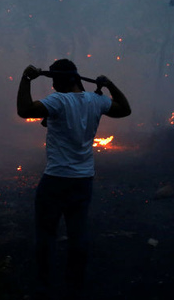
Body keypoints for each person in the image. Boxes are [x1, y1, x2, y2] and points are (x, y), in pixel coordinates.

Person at [17, 59, 131, 300]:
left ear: (63, 80)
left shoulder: (59, 101)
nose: (54, 86)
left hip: (56, 179)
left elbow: (24, 110)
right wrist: (109, 84)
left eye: (55, 81)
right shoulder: (96, 100)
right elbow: (125, 109)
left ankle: (43, 286)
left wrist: (26, 79)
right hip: (83, 179)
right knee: (78, 234)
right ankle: (74, 287)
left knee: (46, 234)